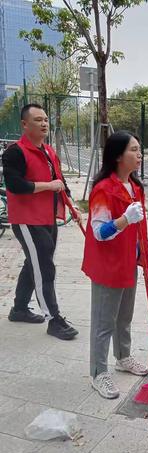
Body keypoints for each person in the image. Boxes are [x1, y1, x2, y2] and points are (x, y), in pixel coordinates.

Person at [2, 103, 81, 340]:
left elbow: (60, 180)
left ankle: (19, 309)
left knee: (34, 262)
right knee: (44, 266)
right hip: (27, 220)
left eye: (45, 119)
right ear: (25, 125)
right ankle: (53, 319)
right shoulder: (14, 152)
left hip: (48, 218)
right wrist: (48, 186)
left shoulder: (48, 151)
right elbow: (15, 185)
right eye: (38, 120)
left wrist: (71, 206)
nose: (44, 123)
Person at [82, 131, 148, 399]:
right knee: (103, 321)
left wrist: (145, 256)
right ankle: (98, 373)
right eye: (134, 149)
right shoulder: (103, 190)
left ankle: (123, 356)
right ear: (119, 156)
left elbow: (140, 228)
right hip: (107, 265)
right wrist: (124, 219)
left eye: (139, 149)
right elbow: (99, 231)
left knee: (124, 316)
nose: (139, 154)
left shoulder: (136, 187)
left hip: (128, 262)